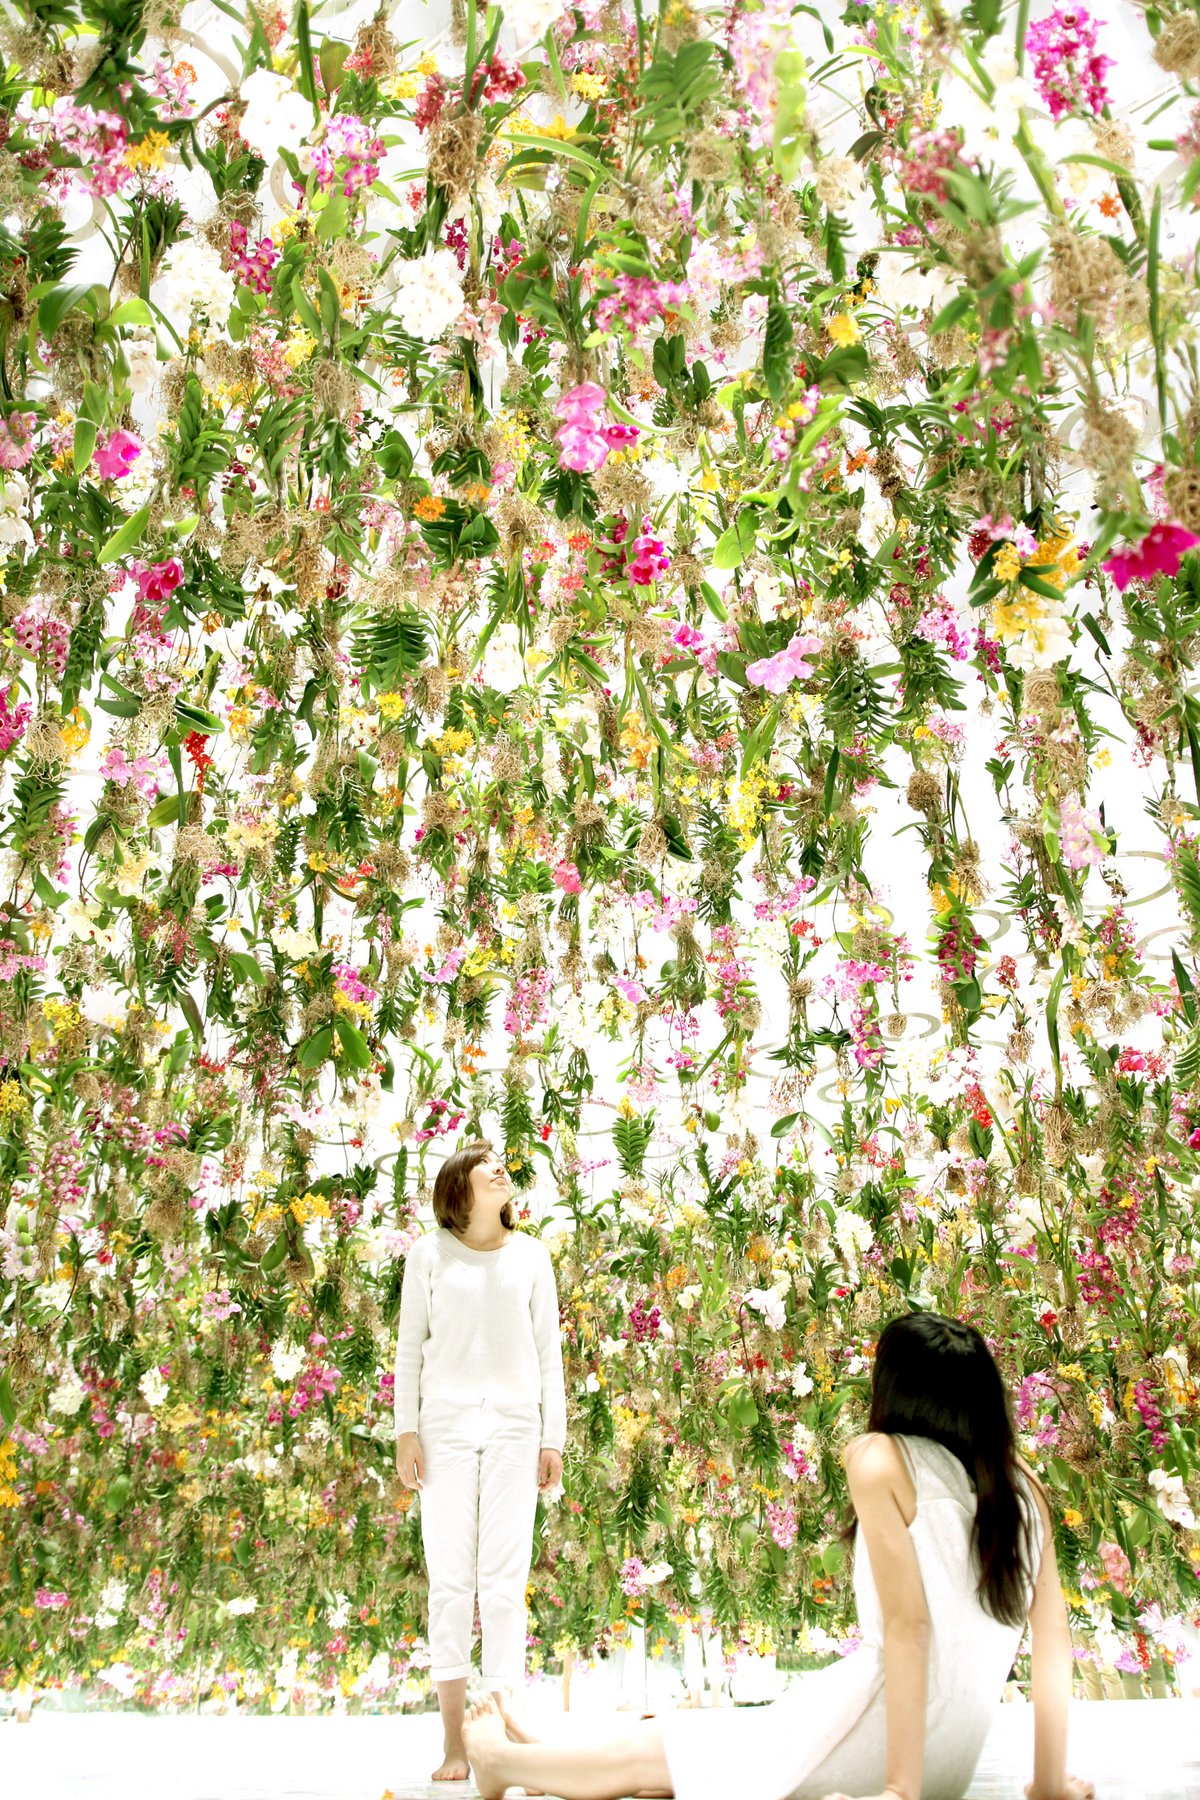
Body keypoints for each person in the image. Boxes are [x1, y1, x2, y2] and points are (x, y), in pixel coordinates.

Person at [459, 1311, 1096, 1800]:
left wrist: (899, 1790)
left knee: (658, 1755)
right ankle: (543, 1748)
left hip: (890, 1741)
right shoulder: (1021, 1487)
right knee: (683, 1753)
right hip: (949, 1762)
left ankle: (502, 1763)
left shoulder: (879, 1457)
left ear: (896, 1389)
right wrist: (1047, 1784)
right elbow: (1053, 1650)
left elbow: (910, 1628)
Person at [394, 1138, 567, 1783]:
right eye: (485, 1164)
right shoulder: (428, 1254)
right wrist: (405, 1431)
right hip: (443, 1428)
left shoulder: (532, 1256)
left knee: (503, 1581)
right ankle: (454, 1743)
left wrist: (553, 1438)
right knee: (450, 1581)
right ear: (458, 1187)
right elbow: (409, 1347)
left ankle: (499, 1732)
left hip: (517, 1429)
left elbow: (549, 1355)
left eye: (501, 1162)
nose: (501, 1169)